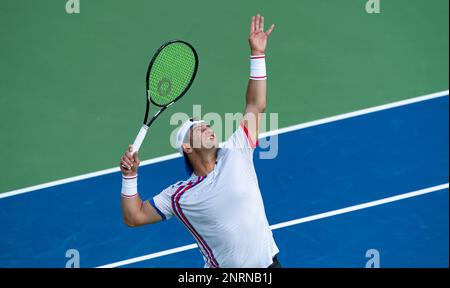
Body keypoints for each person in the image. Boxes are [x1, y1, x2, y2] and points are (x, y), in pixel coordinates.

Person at [119, 14, 279, 268]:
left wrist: (257, 54)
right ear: (187, 147)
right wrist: (130, 176)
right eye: (199, 128)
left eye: (207, 125)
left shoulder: (237, 149)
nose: (208, 128)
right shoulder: (180, 196)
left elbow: (255, 104)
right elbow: (133, 216)